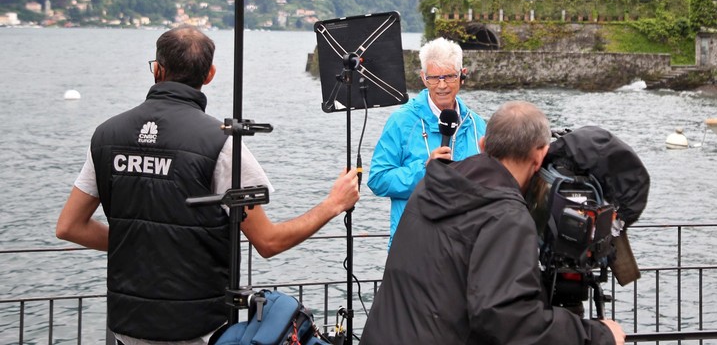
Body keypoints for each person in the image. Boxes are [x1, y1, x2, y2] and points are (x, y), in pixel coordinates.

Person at [55, 25, 359, 345]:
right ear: (210, 74)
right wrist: (332, 205)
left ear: (156, 70)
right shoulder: (223, 144)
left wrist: (140, 241)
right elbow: (268, 242)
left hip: (127, 324)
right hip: (197, 326)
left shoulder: (106, 135)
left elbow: (69, 226)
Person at [359, 101, 626, 345]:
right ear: (540, 155)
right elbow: (507, 319)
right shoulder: (506, 215)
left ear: (484, 144)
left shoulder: (432, 186)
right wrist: (597, 335)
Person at [367, 37, 486, 246]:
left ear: (461, 76)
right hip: (414, 245)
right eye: (433, 78)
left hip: (465, 245)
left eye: (449, 77)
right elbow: (378, 179)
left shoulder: (476, 124)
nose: (441, 86)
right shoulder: (402, 121)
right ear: (423, 78)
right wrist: (425, 171)